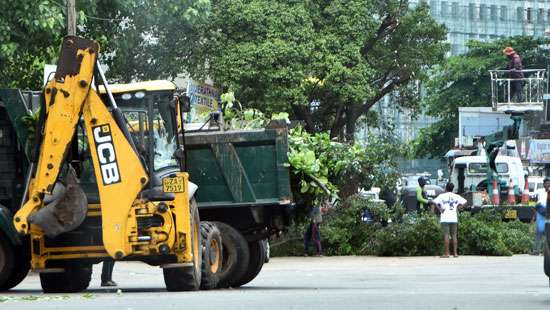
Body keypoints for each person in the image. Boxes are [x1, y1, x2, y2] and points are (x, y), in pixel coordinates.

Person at [433, 182, 467, 258]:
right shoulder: (456, 196)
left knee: (446, 235)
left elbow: (434, 202)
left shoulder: (442, 196)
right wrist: (458, 208)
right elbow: (465, 202)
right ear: (452, 189)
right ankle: (455, 253)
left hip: (445, 218)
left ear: (446, 188)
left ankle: (447, 253)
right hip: (454, 218)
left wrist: (440, 209)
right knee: (454, 235)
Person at [531, 177, 550, 255]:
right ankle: (536, 250)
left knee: (547, 233)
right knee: (538, 232)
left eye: (548, 183)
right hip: (540, 213)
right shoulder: (540, 191)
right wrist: (534, 216)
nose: (547, 184)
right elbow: (535, 202)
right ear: (543, 184)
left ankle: (546, 251)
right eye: (546, 183)